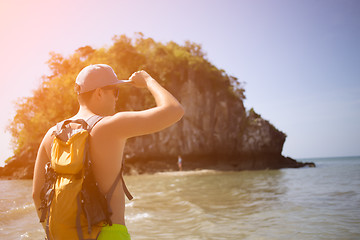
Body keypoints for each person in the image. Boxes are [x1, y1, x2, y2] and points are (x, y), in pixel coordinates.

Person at [32, 64, 184, 239]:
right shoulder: (110, 125)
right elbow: (174, 110)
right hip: (108, 233)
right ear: (99, 93)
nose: (116, 98)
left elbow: (37, 194)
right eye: (116, 91)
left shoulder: (51, 134)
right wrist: (148, 80)